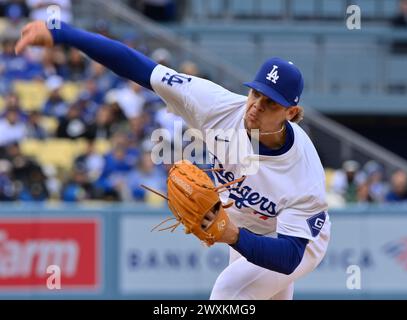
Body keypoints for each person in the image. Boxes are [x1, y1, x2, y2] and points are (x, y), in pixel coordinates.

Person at [15, 21, 331, 300]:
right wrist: (62, 32)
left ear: (291, 113)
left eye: (270, 103)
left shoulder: (304, 174)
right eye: (255, 94)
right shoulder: (215, 105)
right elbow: (135, 65)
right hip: (248, 227)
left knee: (229, 292)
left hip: (297, 242)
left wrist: (231, 235)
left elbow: (290, 257)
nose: (256, 107)